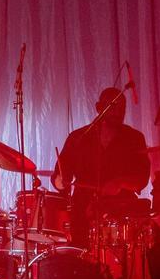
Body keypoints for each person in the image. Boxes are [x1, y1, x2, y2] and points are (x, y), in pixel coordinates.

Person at [51, 87, 151, 249]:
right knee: (80, 253)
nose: (117, 112)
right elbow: (60, 174)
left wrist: (120, 183)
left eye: (121, 108)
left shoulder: (134, 138)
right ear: (99, 107)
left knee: (157, 245)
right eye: (112, 106)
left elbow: (142, 178)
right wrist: (60, 181)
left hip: (121, 208)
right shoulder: (78, 137)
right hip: (83, 207)